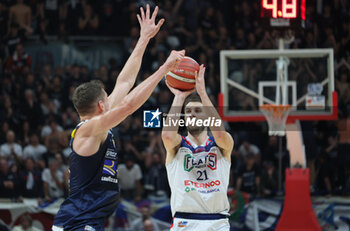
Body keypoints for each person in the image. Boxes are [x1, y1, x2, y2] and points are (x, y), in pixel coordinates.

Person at [53, 4, 184, 230]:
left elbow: (125, 81)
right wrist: (164, 69)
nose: (112, 96)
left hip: (87, 219)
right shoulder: (89, 128)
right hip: (78, 222)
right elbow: (128, 105)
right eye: (107, 96)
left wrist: (144, 38)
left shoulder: (96, 123)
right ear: (102, 105)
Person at [162, 65, 234, 230]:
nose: (192, 114)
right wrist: (179, 97)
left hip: (218, 221)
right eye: (188, 111)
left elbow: (221, 135)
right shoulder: (178, 145)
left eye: (197, 110)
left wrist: (202, 93)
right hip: (184, 221)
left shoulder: (221, 144)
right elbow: (166, 136)